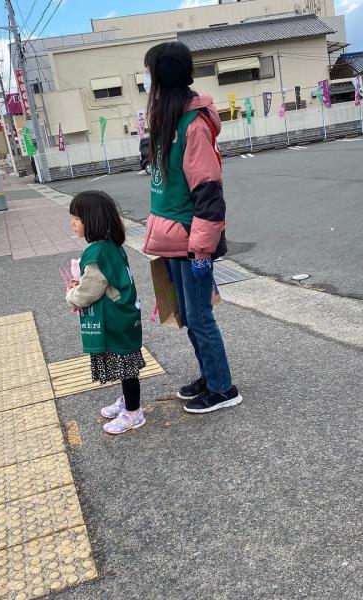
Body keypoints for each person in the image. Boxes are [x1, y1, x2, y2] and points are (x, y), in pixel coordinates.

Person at [141, 41, 241, 414]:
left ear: (162, 77)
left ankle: (223, 388)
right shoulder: (168, 121)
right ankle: (209, 376)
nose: (148, 81)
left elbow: (209, 192)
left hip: (191, 240)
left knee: (199, 315)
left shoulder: (193, 126)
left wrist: (201, 249)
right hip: (173, 238)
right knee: (187, 313)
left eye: (150, 73)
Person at [66, 190, 146, 435]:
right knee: (126, 365)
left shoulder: (96, 253)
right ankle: (127, 401)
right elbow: (103, 282)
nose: (72, 223)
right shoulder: (111, 246)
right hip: (124, 316)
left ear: (93, 220)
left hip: (116, 321)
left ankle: (133, 411)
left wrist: (71, 295)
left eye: (77, 218)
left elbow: (89, 291)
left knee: (126, 368)